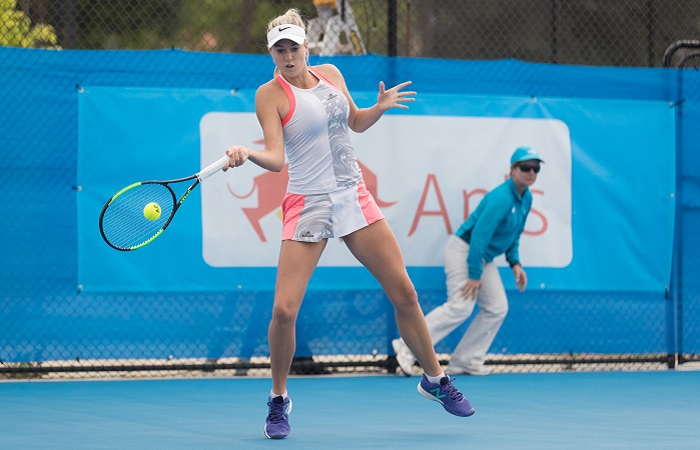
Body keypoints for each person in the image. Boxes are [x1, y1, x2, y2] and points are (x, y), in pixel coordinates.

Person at [222, 8, 474, 440]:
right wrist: (247, 152)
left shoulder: (333, 74)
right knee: (283, 311)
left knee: (406, 293)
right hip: (308, 201)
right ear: (272, 53)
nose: (287, 55)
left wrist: (378, 107)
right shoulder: (270, 94)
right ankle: (279, 399)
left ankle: (435, 380)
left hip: (352, 194)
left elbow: (354, 122)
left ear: (306, 47)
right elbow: (277, 157)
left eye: (293, 47)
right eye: (278, 49)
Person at [392, 146, 543, 377]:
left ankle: (465, 360)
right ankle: (406, 346)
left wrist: (515, 263)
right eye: (525, 167)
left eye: (536, 168)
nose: (531, 173)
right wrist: (474, 274)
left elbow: (514, 234)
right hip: (465, 250)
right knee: (460, 307)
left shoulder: (526, 198)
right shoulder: (500, 198)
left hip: (481, 256)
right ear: (512, 169)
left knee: (496, 308)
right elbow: (479, 237)